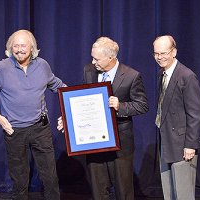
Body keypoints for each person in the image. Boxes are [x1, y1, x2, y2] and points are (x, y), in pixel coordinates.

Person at [0, 30, 65, 200]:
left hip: (41, 128)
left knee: (50, 177)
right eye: (15, 46)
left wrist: (76, 104)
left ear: (32, 47)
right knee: (20, 180)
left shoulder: (43, 65)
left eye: (22, 45)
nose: (18, 50)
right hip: (14, 131)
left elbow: (59, 87)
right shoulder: (2, 68)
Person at [58, 37, 149, 200]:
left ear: (111, 57)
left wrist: (120, 106)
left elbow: (142, 105)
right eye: (92, 57)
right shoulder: (89, 70)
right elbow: (83, 100)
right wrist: (68, 118)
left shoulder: (131, 76)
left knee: (124, 192)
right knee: (99, 191)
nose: (93, 62)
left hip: (121, 144)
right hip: (94, 142)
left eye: (96, 58)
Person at [153, 35, 200, 200]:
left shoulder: (186, 76)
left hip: (182, 145)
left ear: (174, 52)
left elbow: (195, 114)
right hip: (166, 139)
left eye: (164, 53)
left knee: (183, 194)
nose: (160, 57)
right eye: (156, 54)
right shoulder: (162, 74)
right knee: (169, 193)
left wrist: (190, 145)